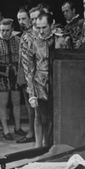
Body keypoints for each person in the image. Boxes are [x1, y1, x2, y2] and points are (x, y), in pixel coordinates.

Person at [21, 10, 70, 147]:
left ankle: (57, 147)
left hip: (59, 84)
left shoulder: (62, 39)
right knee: (41, 117)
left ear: (52, 24)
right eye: (38, 27)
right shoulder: (30, 41)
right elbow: (28, 69)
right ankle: (39, 147)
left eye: (44, 27)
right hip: (40, 85)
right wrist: (31, 93)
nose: (41, 31)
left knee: (58, 119)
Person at [0, 18, 22, 141]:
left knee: (16, 102)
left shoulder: (18, 40)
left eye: (7, 30)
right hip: (1, 74)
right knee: (3, 103)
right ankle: (5, 129)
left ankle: (18, 127)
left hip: (15, 73)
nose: (4, 33)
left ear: (12, 30)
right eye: (2, 30)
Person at [15, 7, 36, 143]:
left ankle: (32, 133)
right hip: (23, 73)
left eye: (24, 18)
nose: (21, 22)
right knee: (28, 106)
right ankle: (32, 132)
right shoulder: (23, 34)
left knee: (33, 106)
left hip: (32, 75)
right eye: (19, 19)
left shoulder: (33, 34)